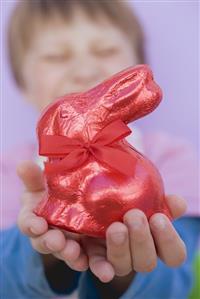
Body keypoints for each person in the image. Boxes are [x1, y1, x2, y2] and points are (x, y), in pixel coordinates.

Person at [1, 1, 199, 298]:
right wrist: (44, 253)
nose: (85, 70)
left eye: (106, 51)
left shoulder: (174, 159)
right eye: (56, 56)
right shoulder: (9, 171)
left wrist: (127, 273)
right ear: (23, 85)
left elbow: (175, 280)